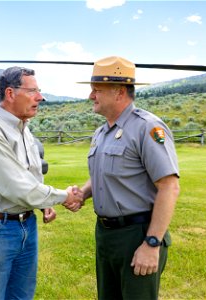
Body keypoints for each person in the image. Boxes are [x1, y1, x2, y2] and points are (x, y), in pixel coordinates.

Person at [0, 66, 83, 299]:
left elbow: (29, 176)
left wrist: (42, 203)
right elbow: (17, 187)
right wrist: (64, 196)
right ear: (10, 94)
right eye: (33, 91)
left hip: (26, 225)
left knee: (21, 295)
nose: (40, 97)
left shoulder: (23, 129)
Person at [71, 56, 180, 300]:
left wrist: (152, 243)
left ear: (119, 92)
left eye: (96, 90)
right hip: (106, 234)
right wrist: (84, 194)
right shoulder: (102, 132)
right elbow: (103, 176)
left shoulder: (148, 128)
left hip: (137, 234)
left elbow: (169, 187)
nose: (91, 96)